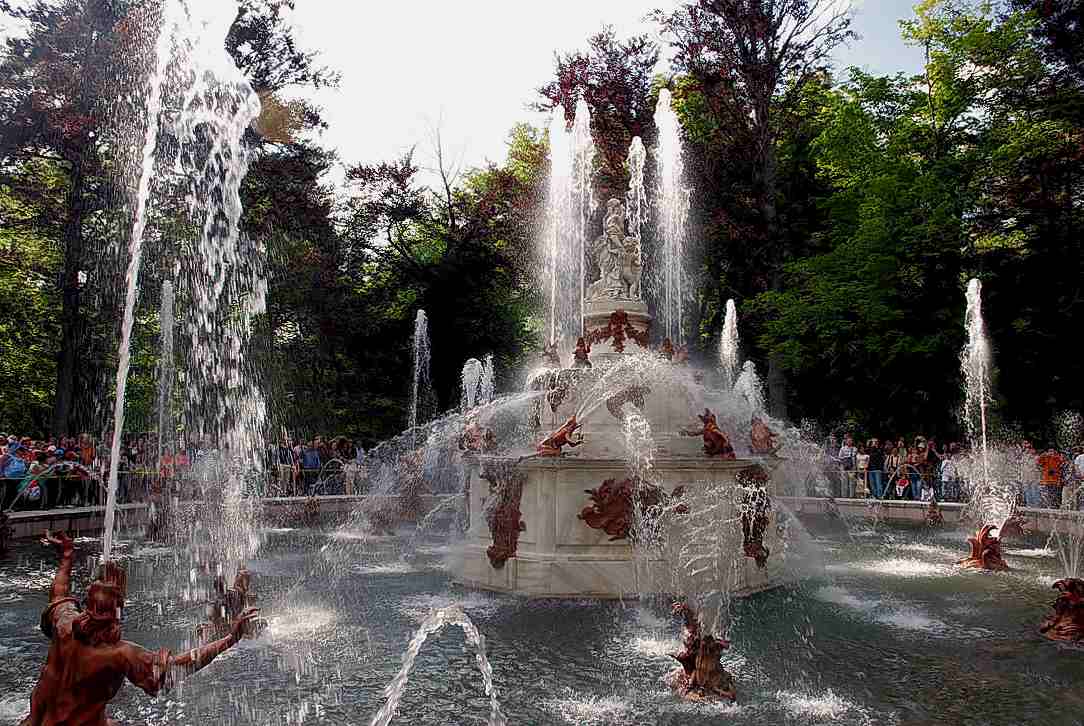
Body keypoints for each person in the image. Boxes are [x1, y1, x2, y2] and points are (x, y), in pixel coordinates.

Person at [21, 531, 259, 726]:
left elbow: (58, 594)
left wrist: (66, 558)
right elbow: (176, 668)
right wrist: (230, 639)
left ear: (85, 605)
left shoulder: (64, 623)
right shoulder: (118, 654)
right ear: (117, 611)